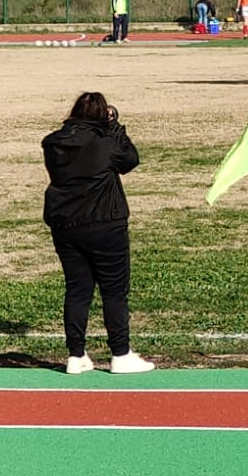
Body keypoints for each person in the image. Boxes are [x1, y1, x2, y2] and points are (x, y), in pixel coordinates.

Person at [42, 92, 153, 375]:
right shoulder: (104, 142)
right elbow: (129, 160)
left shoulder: (54, 143)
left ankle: (76, 354)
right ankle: (120, 352)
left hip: (66, 224)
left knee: (77, 290)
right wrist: (116, 129)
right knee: (114, 291)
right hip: (104, 222)